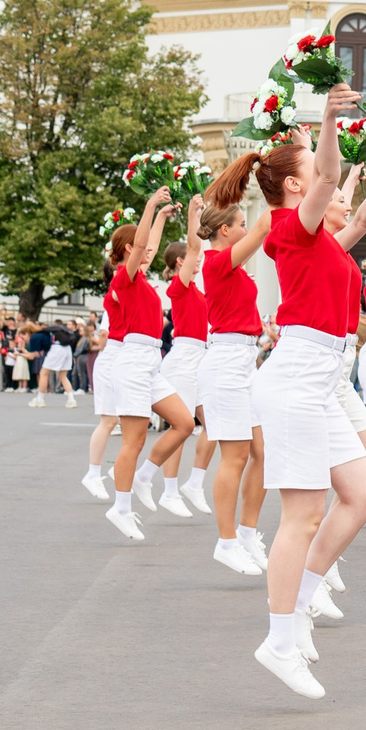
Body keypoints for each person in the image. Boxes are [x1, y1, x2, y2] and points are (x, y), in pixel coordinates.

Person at [218, 88, 366, 700]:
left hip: (319, 380)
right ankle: (280, 639)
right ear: (296, 186)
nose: (330, 184)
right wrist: (325, 119)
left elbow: (364, 219)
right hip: (295, 379)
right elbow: (330, 176)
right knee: (303, 513)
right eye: (315, 177)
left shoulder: (321, 239)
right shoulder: (291, 228)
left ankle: (305, 601)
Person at [95, 188, 199, 541]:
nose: (150, 252)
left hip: (150, 360)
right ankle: (120, 508)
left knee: (184, 422)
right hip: (133, 362)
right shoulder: (123, 278)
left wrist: (160, 217)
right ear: (128, 250)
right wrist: (150, 205)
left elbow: (147, 245)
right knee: (133, 441)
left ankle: (143, 477)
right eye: (140, 249)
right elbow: (142, 246)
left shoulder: (138, 276)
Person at [196, 186, 275, 576]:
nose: (245, 228)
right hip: (225, 362)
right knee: (236, 455)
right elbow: (263, 229)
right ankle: (226, 542)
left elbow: (259, 232)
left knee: (263, 451)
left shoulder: (233, 266)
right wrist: (281, 187)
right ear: (224, 231)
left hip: (245, 360)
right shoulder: (215, 263)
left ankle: (246, 533)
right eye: (239, 223)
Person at [155, 200, 214, 518]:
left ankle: (194, 483)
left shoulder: (199, 290)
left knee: (214, 425)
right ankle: (169, 491)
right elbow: (194, 247)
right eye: (195, 259)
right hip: (184, 358)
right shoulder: (180, 287)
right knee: (182, 426)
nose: (200, 261)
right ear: (181, 262)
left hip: (203, 357)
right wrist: (194, 215)